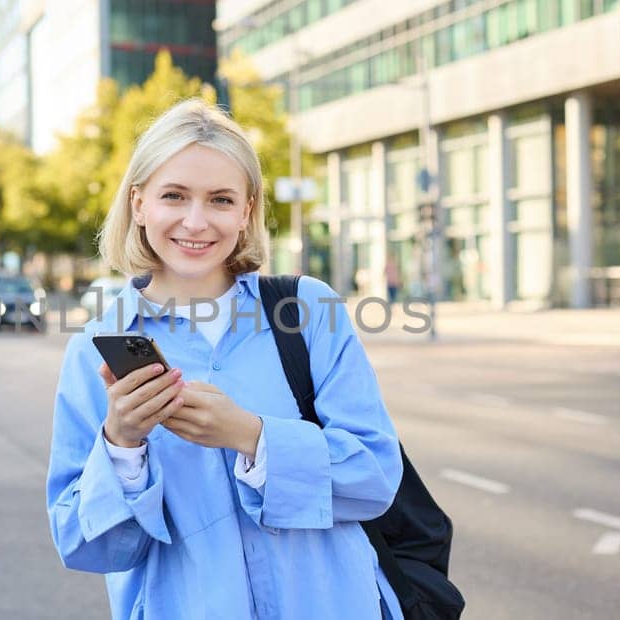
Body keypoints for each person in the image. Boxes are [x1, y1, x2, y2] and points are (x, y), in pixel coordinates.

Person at [46, 99, 406, 619]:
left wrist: (251, 435)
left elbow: (374, 480)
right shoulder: (98, 346)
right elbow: (87, 547)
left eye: (219, 199)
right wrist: (122, 445)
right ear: (139, 203)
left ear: (246, 210)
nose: (196, 221)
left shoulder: (308, 310)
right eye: (174, 196)